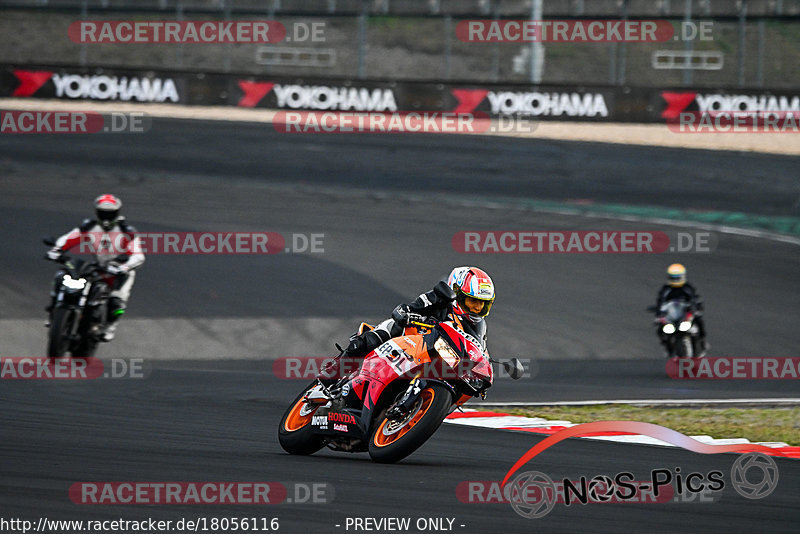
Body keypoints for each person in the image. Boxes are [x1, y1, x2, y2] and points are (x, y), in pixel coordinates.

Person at [337, 266, 495, 364]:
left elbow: (479, 351)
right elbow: (402, 310)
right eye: (472, 301)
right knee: (377, 335)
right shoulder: (439, 299)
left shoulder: (480, 326)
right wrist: (407, 315)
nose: (477, 307)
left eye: (482, 304)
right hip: (404, 344)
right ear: (456, 292)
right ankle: (332, 373)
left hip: (433, 360)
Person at [46, 194, 145, 341]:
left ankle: (110, 326)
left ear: (117, 213)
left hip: (120, 271)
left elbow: (138, 255)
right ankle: (53, 313)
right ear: (97, 212)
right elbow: (69, 238)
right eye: (103, 213)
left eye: (110, 213)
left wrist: (124, 267)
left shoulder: (127, 232)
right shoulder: (90, 226)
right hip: (98, 268)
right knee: (62, 277)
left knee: (116, 303)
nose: (106, 217)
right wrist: (56, 250)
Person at [653, 263, 708, 356]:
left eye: (677, 277)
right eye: (673, 277)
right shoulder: (666, 289)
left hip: (685, 314)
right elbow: (660, 301)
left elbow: (694, 298)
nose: (675, 280)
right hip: (671, 316)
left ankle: (702, 342)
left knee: (699, 321)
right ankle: (667, 348)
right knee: (660, 329)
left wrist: (696, 307)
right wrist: (659, 313)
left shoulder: (687, 288)